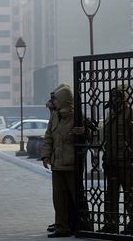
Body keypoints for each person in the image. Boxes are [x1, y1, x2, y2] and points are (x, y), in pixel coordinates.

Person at [41, 84, 87, 238]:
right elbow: (48, 137)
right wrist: (45, 156)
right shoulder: (55, 117)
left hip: (72, 165)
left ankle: (84, 225)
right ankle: (62, 228)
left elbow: (92, 136)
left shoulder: (78, 117)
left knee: (77, 198)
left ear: (64, 100)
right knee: (59, 199)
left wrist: (84, 132)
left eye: (56, 100)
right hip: (57, 165)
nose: (54, 103)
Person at [100, 85, 133, 235]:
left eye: (117, 96)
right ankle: (111, 224)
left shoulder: (130, 113)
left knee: (129, 194)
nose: (114, 99)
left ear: (123, 98)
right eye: (112, 96)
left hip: (125, 161)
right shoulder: (110, 114)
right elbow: (105, 136)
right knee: (110, 194)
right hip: (111, 161)